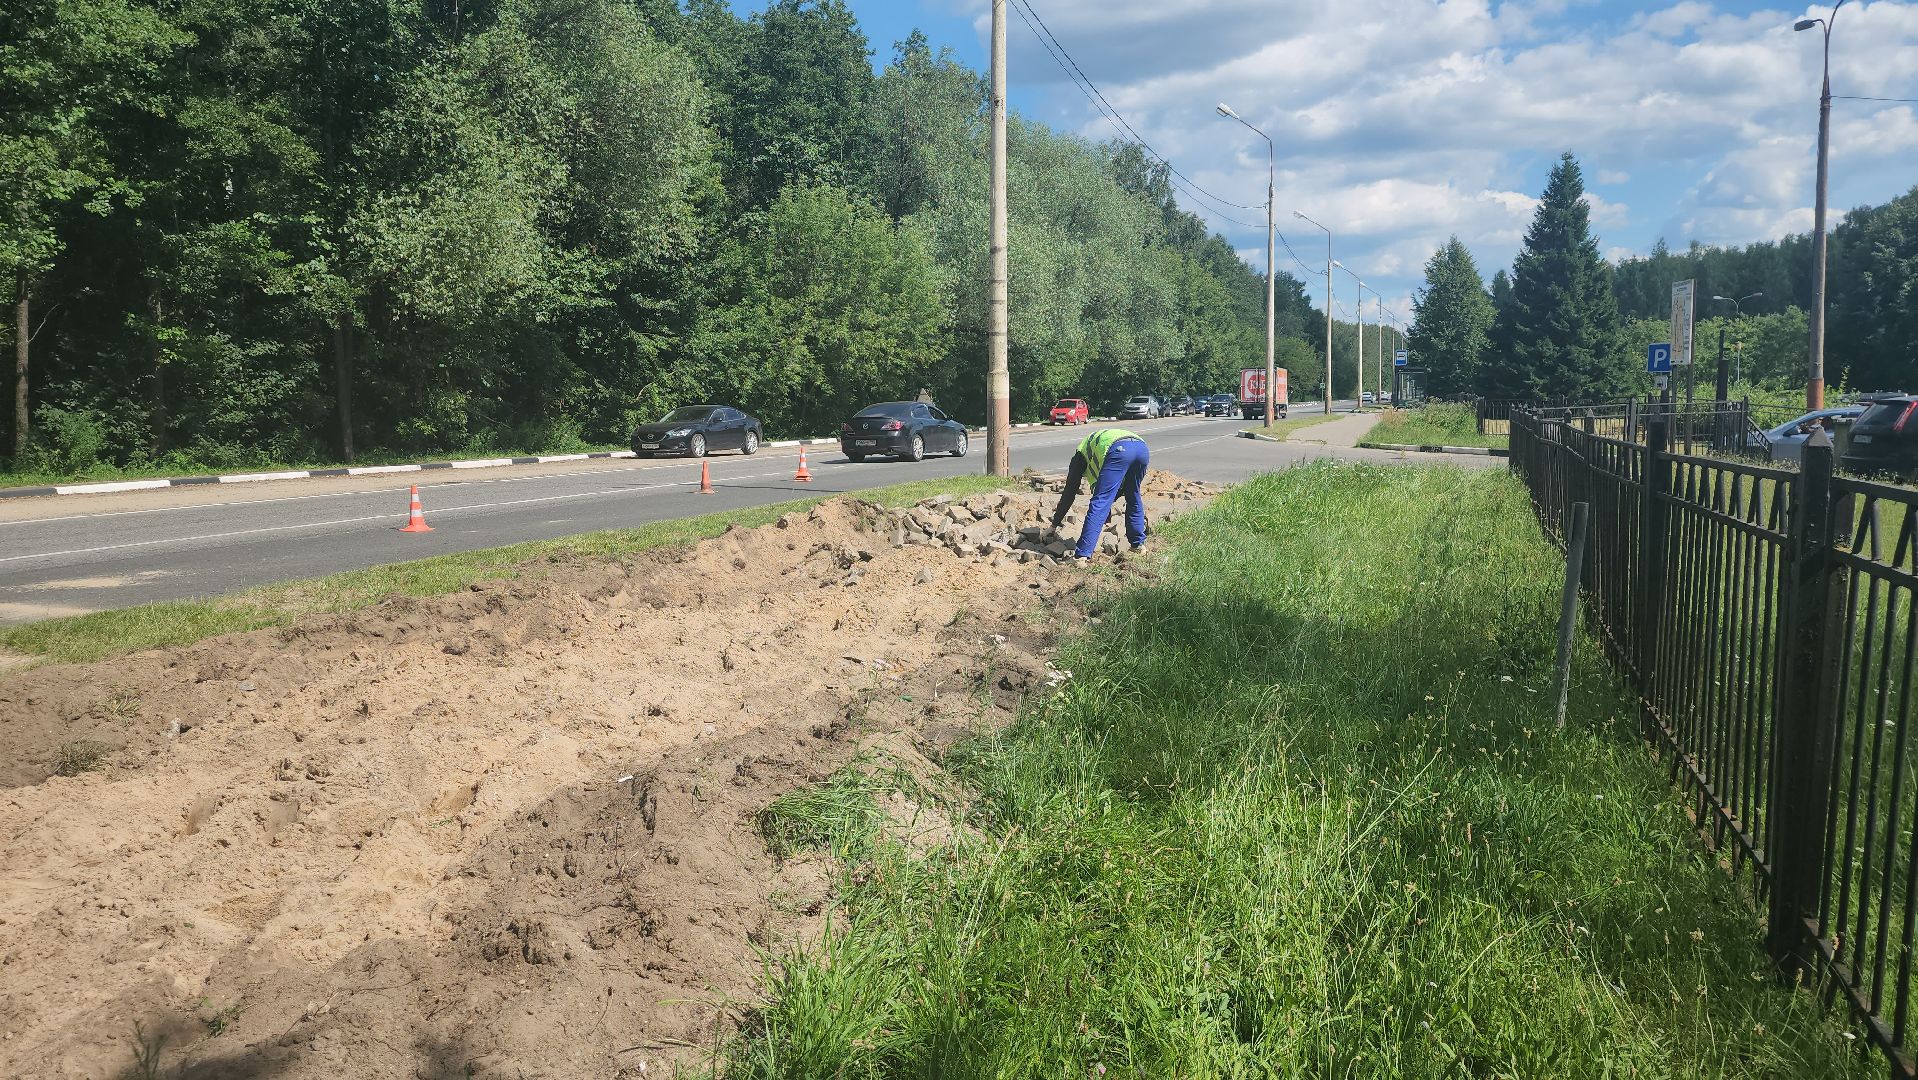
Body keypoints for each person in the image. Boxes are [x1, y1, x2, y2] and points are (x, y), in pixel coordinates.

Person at [1051, 427, 1149, 563]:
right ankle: (1138, 545)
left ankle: (1081, 556)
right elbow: (1118, 489)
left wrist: (1053, 525)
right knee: (1133, 495)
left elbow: (1069, 492)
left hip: (1120, 449)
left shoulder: (1080, 455)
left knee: (1100, 501)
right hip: (1142, 449)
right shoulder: (1096, 450)